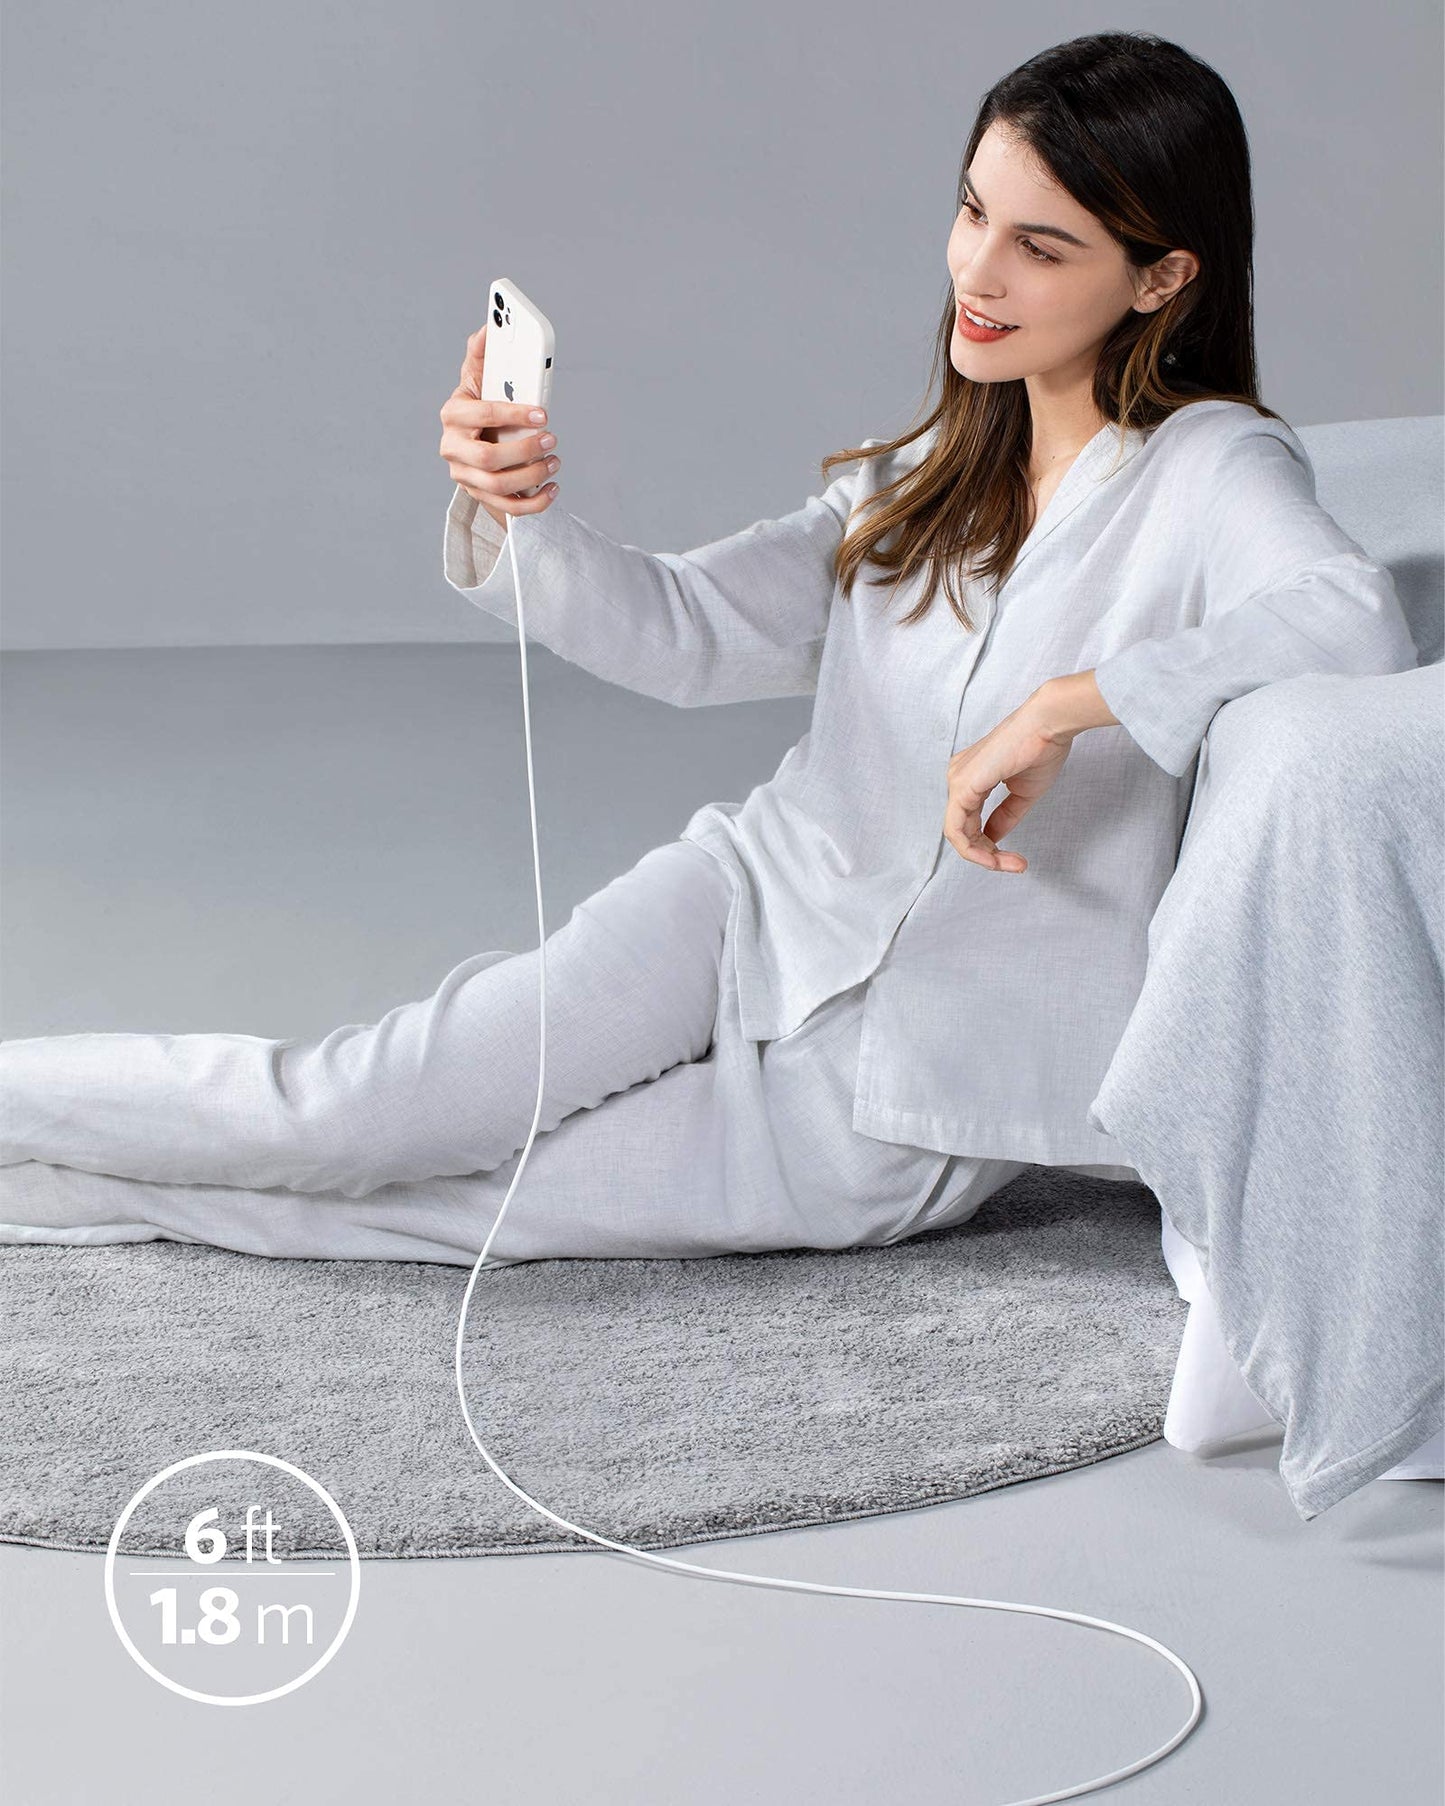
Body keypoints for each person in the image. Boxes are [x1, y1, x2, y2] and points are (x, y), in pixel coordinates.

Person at [0, 32, 1417, 1269]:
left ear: (1162, 275)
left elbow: (1351, 617)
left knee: (446, 1210)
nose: (976, 274)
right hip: (743, 902)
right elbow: (686, 630)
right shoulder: (932, 466)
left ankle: (46, 1193)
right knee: (354, 1112)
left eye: (1041, 248)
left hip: (899, 1092)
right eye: (972, 211)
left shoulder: (1210, 468)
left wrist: (1070, 704)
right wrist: (521, 516)